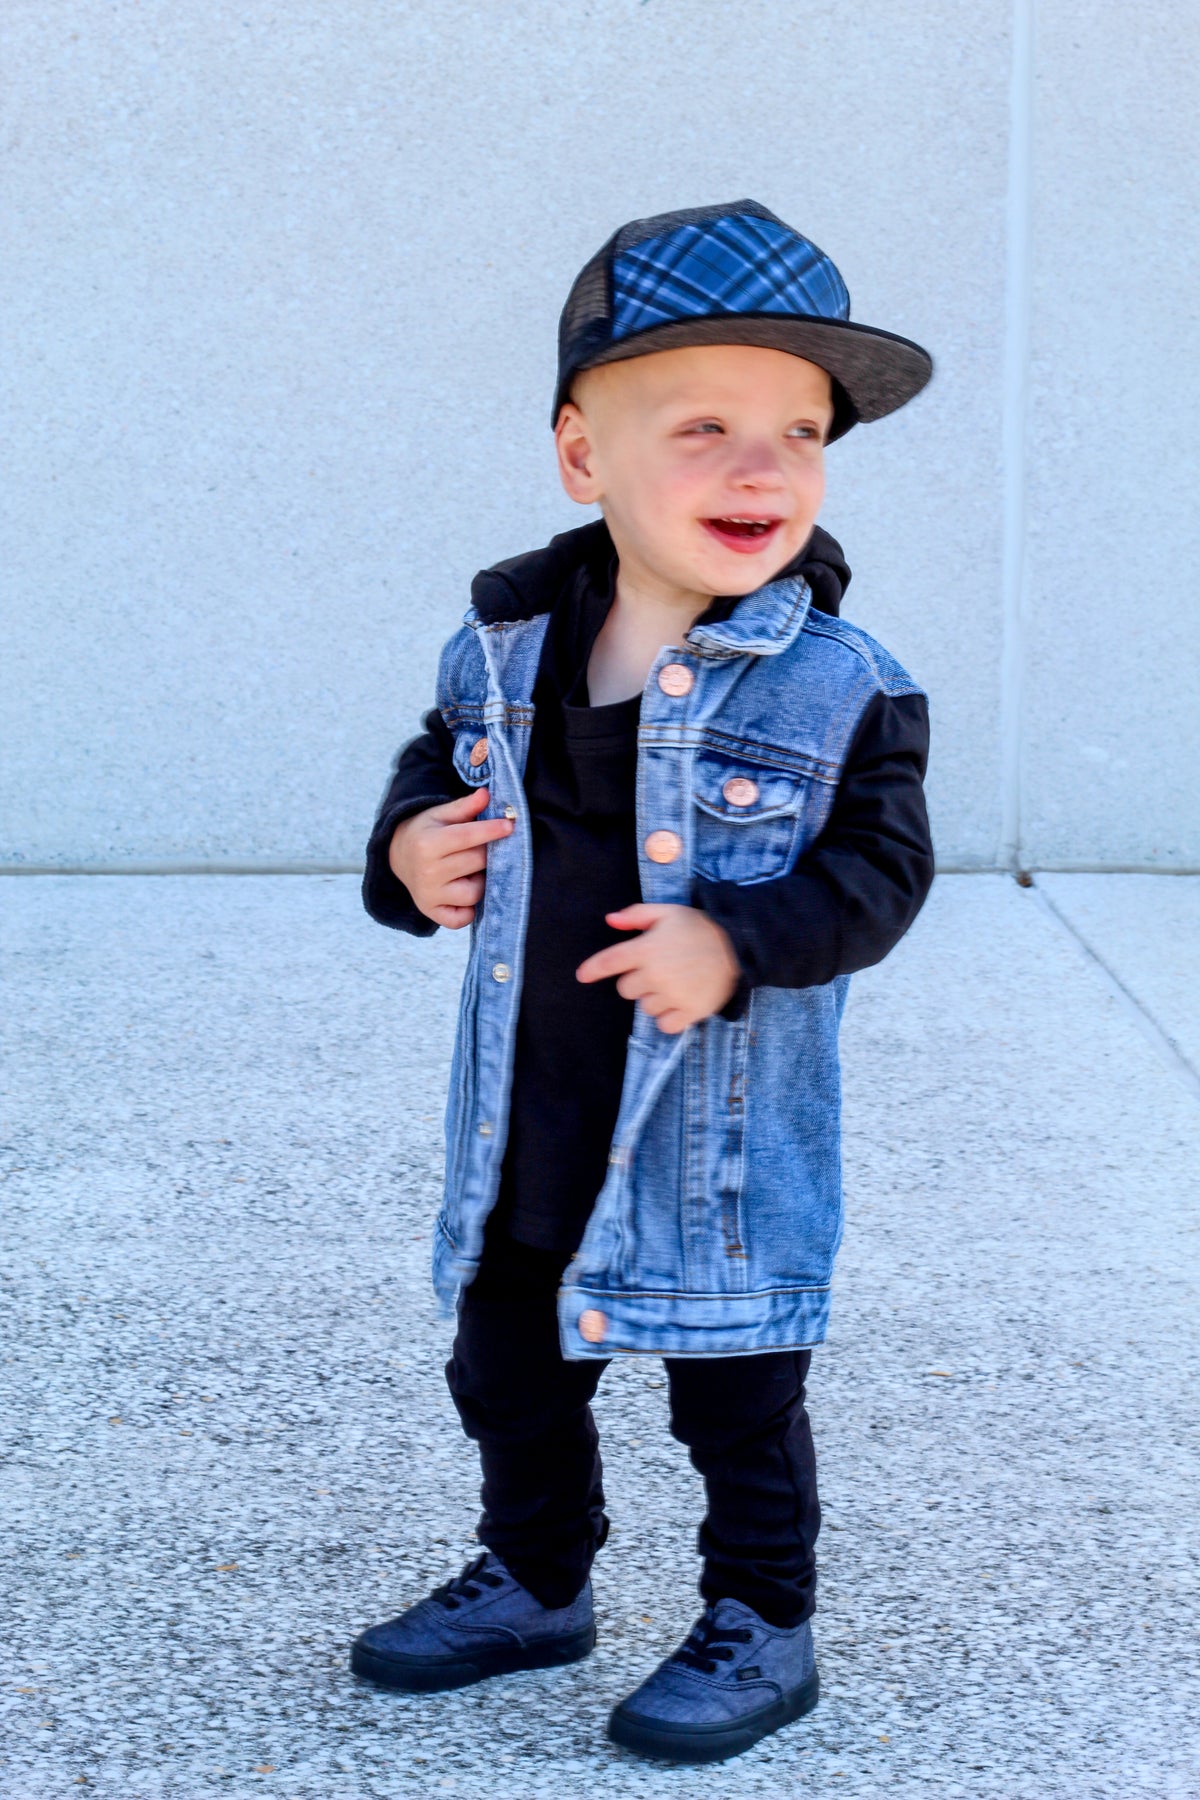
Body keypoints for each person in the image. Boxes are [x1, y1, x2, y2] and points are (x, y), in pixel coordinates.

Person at [351, 199, 936, 1765]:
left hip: (715, 1144)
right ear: (580, 456)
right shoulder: (500, 648)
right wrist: (407, 848)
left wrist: (734, 941)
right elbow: (434, 766)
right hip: (530, 1115)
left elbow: (882, 876)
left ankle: (762, 1619)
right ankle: (537, 1578)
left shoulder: (846, 687)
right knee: (506, 1365)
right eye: (704, 428)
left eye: (800, 432)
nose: (763, 469)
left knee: (733, 1397)